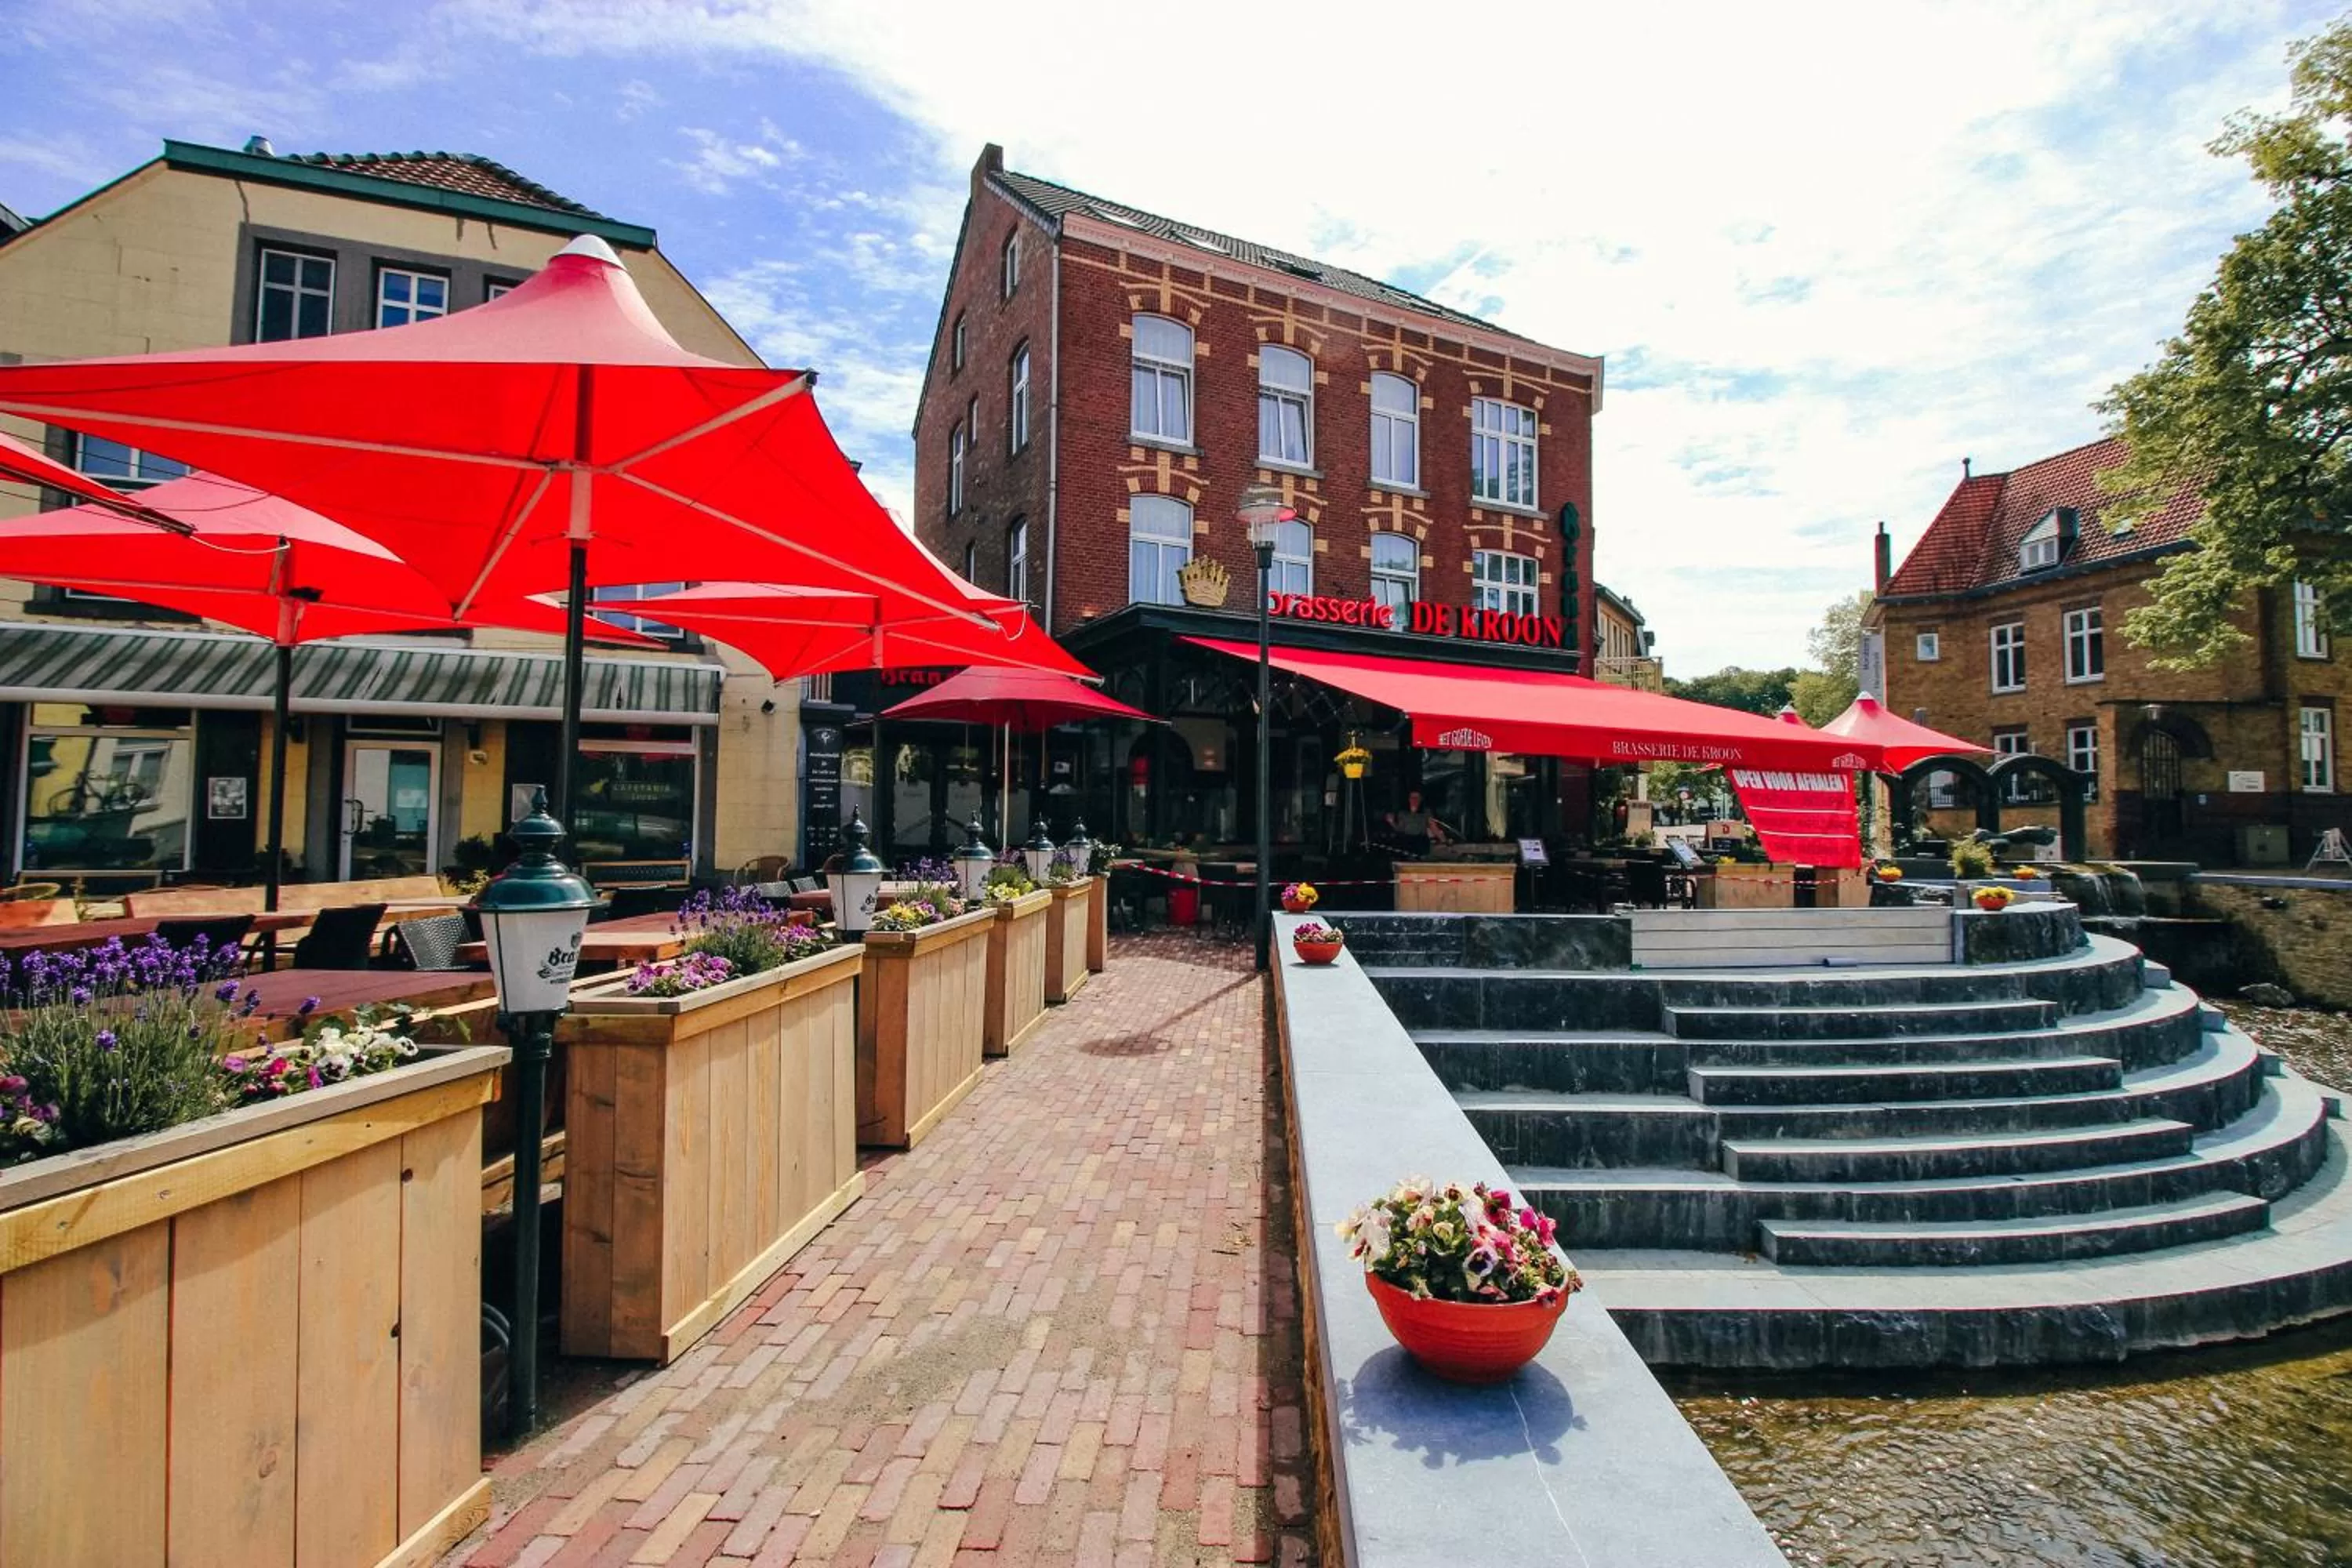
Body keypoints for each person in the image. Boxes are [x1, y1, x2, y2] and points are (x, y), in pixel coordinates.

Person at [1387, 789, 1450, 857]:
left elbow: (1434, 827)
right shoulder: (1403, 813)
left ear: (1421, 799)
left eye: (1417, 798)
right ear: (1409, 799)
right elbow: (1400, 829)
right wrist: (1392, 822)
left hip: (1421, 842)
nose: (1414, 800)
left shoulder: (1426, 812)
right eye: (1412, 797)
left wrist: (1444, 841)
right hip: (1407, 842)